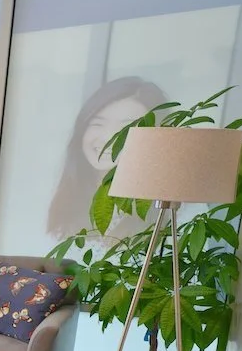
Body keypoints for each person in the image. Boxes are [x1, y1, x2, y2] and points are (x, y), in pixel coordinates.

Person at [47, 76, 169, 241]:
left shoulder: (172, 209)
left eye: (126, 127)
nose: (108, 138)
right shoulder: (68, 196)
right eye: (97, 124)